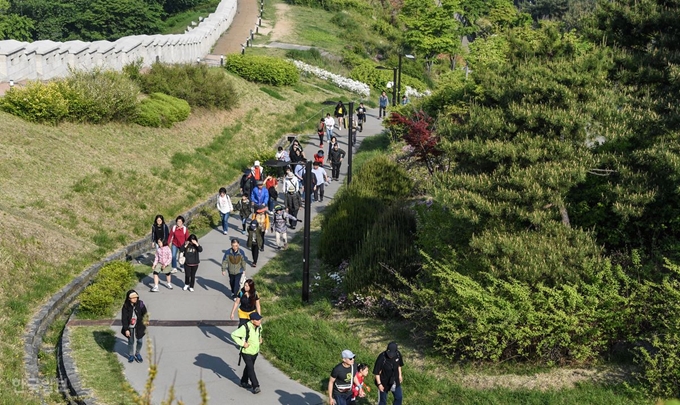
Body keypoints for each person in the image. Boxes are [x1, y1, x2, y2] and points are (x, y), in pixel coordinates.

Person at [231, 312, 263, 394]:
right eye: (257, 319)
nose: (260, 321)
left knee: (249, 367)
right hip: (246, 352)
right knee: (251, 369)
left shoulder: (259, 326)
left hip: (255, 351)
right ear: (252, 321)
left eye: (260, 319)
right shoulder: (245, 328)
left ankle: (244, 382)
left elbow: (259, 332)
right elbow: (233, 335)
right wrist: (243, 344)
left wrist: (260, 338)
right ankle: (256, 386)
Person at [121, 290, 148, 364]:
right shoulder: (125, 306)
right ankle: (131, 355)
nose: (135, 299)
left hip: (139, 325)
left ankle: (137, 353)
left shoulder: (140, 304)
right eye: (133, 298)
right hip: (130, 326)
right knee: (131, 341)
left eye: (136, 297)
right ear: (129, 299)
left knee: (140, 341)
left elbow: (145, 313)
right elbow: (124, 319)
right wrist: (126, 329)